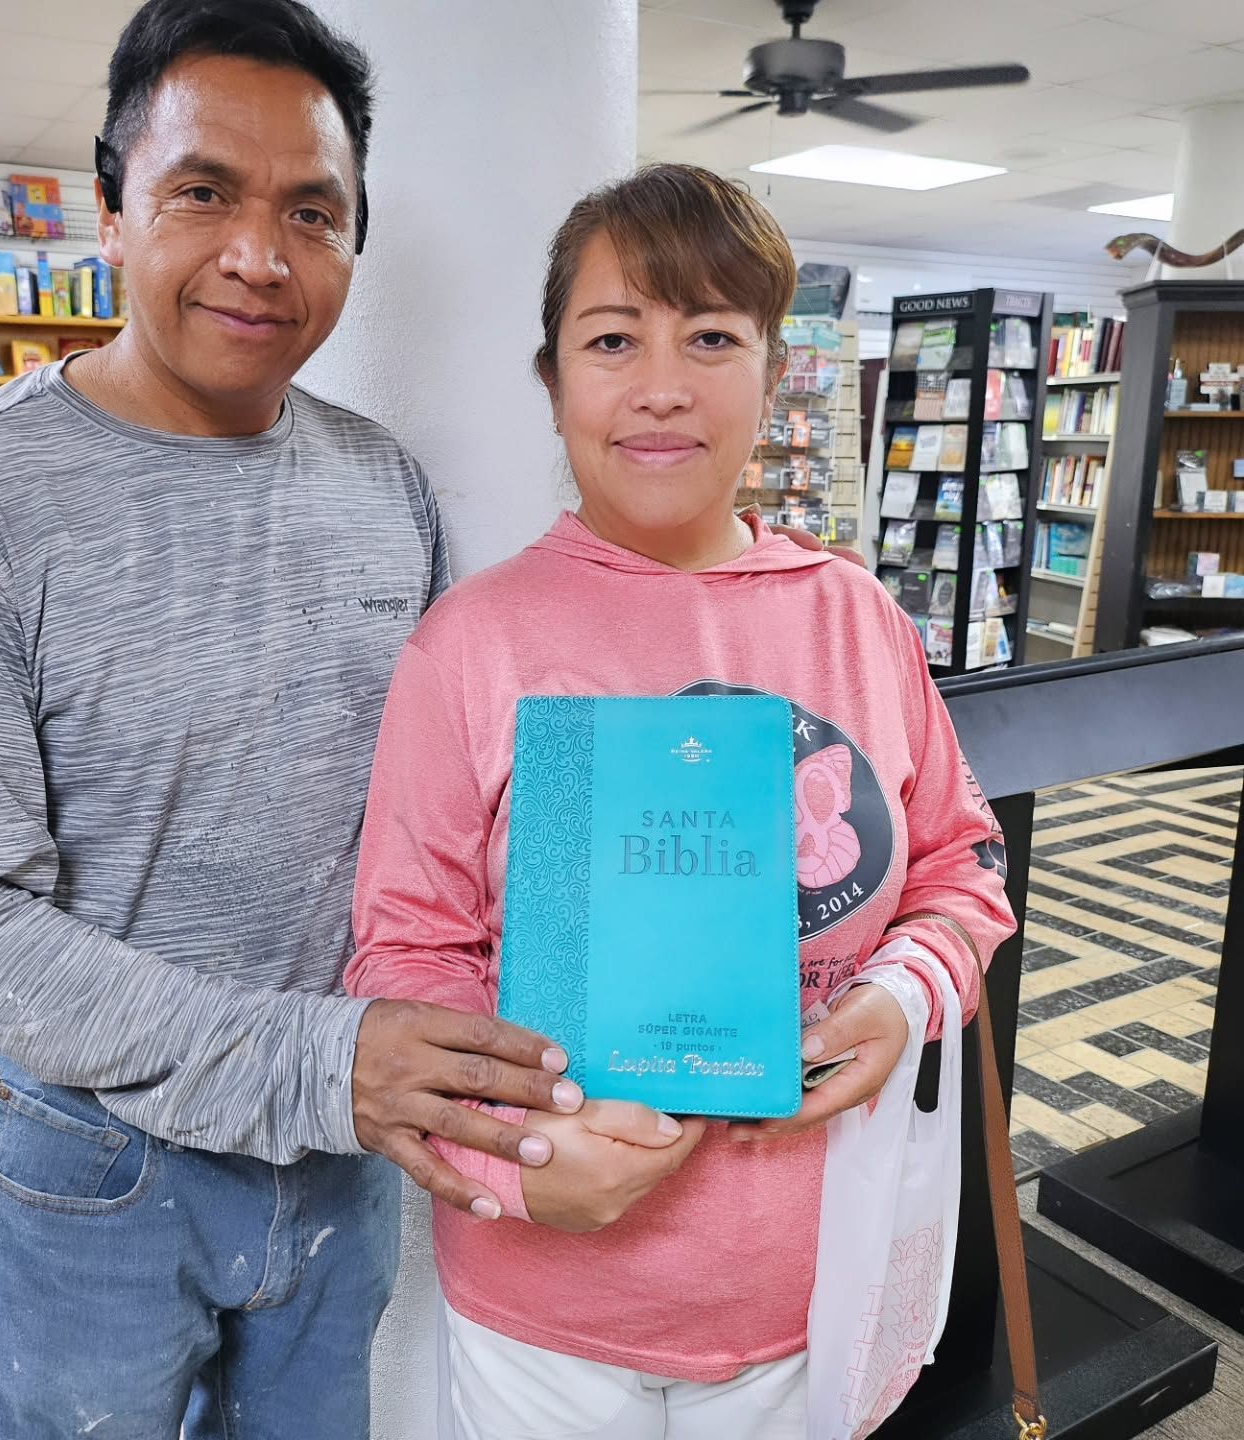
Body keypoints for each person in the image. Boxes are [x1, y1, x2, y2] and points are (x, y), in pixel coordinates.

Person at [0, 5, 847, 1435]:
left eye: (313, 211)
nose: (261, 254)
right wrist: (334, 1064)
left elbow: (445, 831)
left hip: (342, 1156)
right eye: (203, 193)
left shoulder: (384, 487)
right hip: (89, 1166)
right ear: (111, 212)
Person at [346, 163, 1017, 1440]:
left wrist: (902, 996)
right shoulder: (472, 646)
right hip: (545, 1311)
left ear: (775, 372)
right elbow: (404, 951)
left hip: (810, 1283)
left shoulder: (857, 620)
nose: (662, 385)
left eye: (712, 337)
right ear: (551, 379)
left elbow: (960, 867)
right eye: (613, 340)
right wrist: (519, 1155)